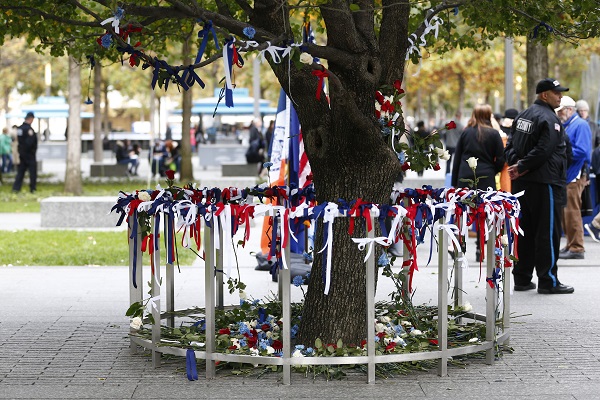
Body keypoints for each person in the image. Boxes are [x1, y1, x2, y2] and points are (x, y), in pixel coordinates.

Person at [504, 78, 574, 294]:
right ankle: (548, 280)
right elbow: (545, 149)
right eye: (556, 93)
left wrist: (518, 165)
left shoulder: (522, 116)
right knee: (548, 232)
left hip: (523, 184)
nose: (560, 97)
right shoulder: (549, 118)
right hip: (545, 183)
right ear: (544, 95)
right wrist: (523, 165)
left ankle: (522, 278)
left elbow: (510, 145)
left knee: (524, 231)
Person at [451, 104, 505, 261]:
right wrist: (492, 170)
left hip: (464, 176)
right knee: (485, 214)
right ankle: (481, 249)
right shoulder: (494, 134)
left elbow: (457, 157)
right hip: (486, 177)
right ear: (489, 115)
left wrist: (455, 181)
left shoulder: (466, 133)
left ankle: (458, 246)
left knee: (462, 212)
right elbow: (501, 158)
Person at [556, 96, 592, 259]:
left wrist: (562, 152)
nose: (560, 114)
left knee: (572, 211)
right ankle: (571, 244)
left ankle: (576, 247)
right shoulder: (571, 124)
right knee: (567, 211)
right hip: (569, 174)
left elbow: (583, 151)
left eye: (561, 111)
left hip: (574, 175)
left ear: (570, 110)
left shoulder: (580, 125)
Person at [12, 112, 38, 193]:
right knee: (32, 172)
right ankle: (32, 188)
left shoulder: (20, 128)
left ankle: (16, 188)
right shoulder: (29, 129)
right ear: (31, 119)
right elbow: (30, 142)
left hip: (22, 154)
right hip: (29, 154)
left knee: (20, 172)